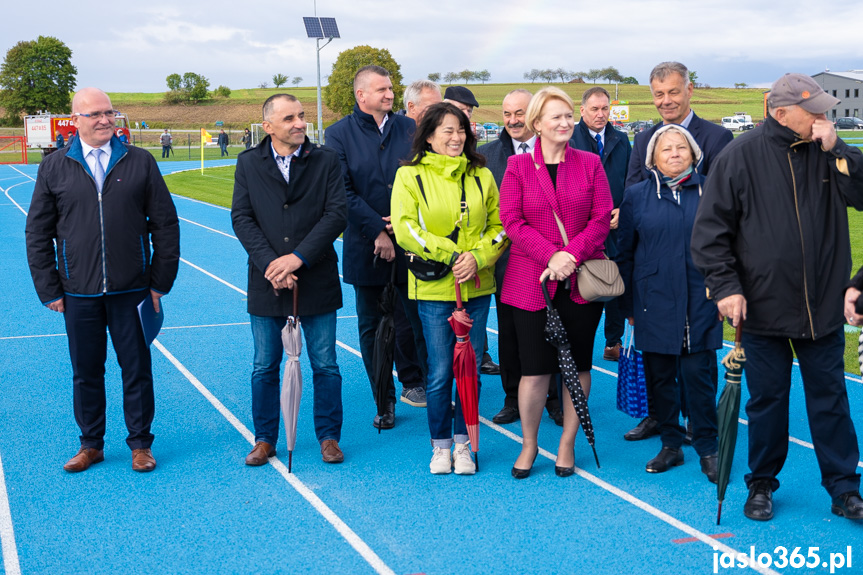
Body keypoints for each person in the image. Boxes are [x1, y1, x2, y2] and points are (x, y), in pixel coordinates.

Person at [692, 73, 863, 522]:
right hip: (763, 308)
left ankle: (844, 487)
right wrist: (726, 288)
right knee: (766, 401)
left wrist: (839, 149)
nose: (825, 118)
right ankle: (762, 484)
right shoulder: (738, 157)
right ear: (781, 112)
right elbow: (710, 235)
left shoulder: (830, 153)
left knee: (830, 399)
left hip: (823, 304)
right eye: (816, 112)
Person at [25, 87, 180, 473]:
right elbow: (37, 232)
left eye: (109, 112)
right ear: (75, 120)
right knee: (86, 371)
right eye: (94, 114)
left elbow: (165, 224)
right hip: (78, 293)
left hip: (132, 290)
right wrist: (49, 289)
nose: (104, 120)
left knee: (137, 370)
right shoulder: (54, 166)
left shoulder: (140, 161)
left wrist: (160, 281)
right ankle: (91, 444)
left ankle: (140, 444)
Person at [499, 87, 612, 479]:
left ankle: (567, 442)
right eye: (556, 118)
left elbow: (600, 220)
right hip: (530, 282)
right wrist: (551, 255)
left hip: (580, 282)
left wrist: (570, 256)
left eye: (568, 116)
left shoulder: (591, 163)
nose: (565, 123)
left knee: (578, 365)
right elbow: (512, 221)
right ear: (537, 124)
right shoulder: (517, 167)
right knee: (534, 370)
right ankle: (529, 444)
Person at [232, 94, 348, 466]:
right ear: (267, 127)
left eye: (301, 116)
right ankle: (265, 439)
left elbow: (336, 215)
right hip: (267, 280)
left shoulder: (326, 160)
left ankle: (329, 437)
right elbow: (242, 218)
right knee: (264, 365)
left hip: (316, 278)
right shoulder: (248, 162)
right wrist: (272, 264)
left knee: (326, 364)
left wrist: (297, 258)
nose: (300, 123)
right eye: (289, 118)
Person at [391, 102, 506, 475]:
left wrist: (478, 257)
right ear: (428, 136)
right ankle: (440, 446)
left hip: (476, 286)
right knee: (440, 372)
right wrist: (453, 254)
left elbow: (500, 227)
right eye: (447, 131)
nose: (456, 137)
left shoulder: (482, 175)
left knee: (468, 372)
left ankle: (464, 445)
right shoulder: (410, 176)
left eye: (461, 130)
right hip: (434, 290)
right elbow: (407, 229)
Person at [623, 61, 733, 442]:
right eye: (658, 94)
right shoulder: (643, 139)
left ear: (689, 90)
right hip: (656, 271)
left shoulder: (718, 138)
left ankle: (699, 425)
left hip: (698, 268)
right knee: (658, 359)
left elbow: (726, 205)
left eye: (672, 91)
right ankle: (662, 420)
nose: (665, 101)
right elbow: (634, 193)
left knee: (698, 360)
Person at [326, 65, 428, 427]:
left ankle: (424, 386)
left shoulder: (410, 128)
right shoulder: (337, 134)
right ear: (361, 95)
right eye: (382, 89)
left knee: (418, 321)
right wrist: (378, 232)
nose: (389, 94)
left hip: (412, 243)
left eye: (390, 88)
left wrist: (400, 225)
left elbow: (424, 178)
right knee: (373, 329)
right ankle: (383, 401)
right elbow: (342, 191)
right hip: (366, 247)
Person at [617, 125, 720, 483]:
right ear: (652, 159)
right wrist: (629, 305)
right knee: (660, 378)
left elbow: (729, 245)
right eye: (666, 149)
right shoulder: (636, 196)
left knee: (698, 378)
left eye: (681, 148)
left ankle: (708, 447)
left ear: (693, 154)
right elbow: (625, 252)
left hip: (701, 301)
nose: (674, 153)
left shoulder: (712, 190)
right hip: (653, 301)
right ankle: (671, 445)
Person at [483, 89, 562, 427]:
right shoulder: (486, 156)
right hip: (508, 263)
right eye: (506, 114)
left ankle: (556, 399)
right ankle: (513, 398)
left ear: (534, 115)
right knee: (511, 335)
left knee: (557, 333)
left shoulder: (562, 152)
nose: (512, 120)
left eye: (519, 113)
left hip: (555, 262)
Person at [570, 87, 631, 362]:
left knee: (614, 281)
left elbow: (632, 180)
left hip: (616, 226)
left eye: (605, 108)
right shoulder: (569, 139)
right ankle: (576, 339)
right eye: (594, 109)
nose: (600, 114)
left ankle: (613, 341)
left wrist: (623, 209)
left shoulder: (621, 140)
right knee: (582, 283)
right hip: (581, 228)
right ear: (581, 110)